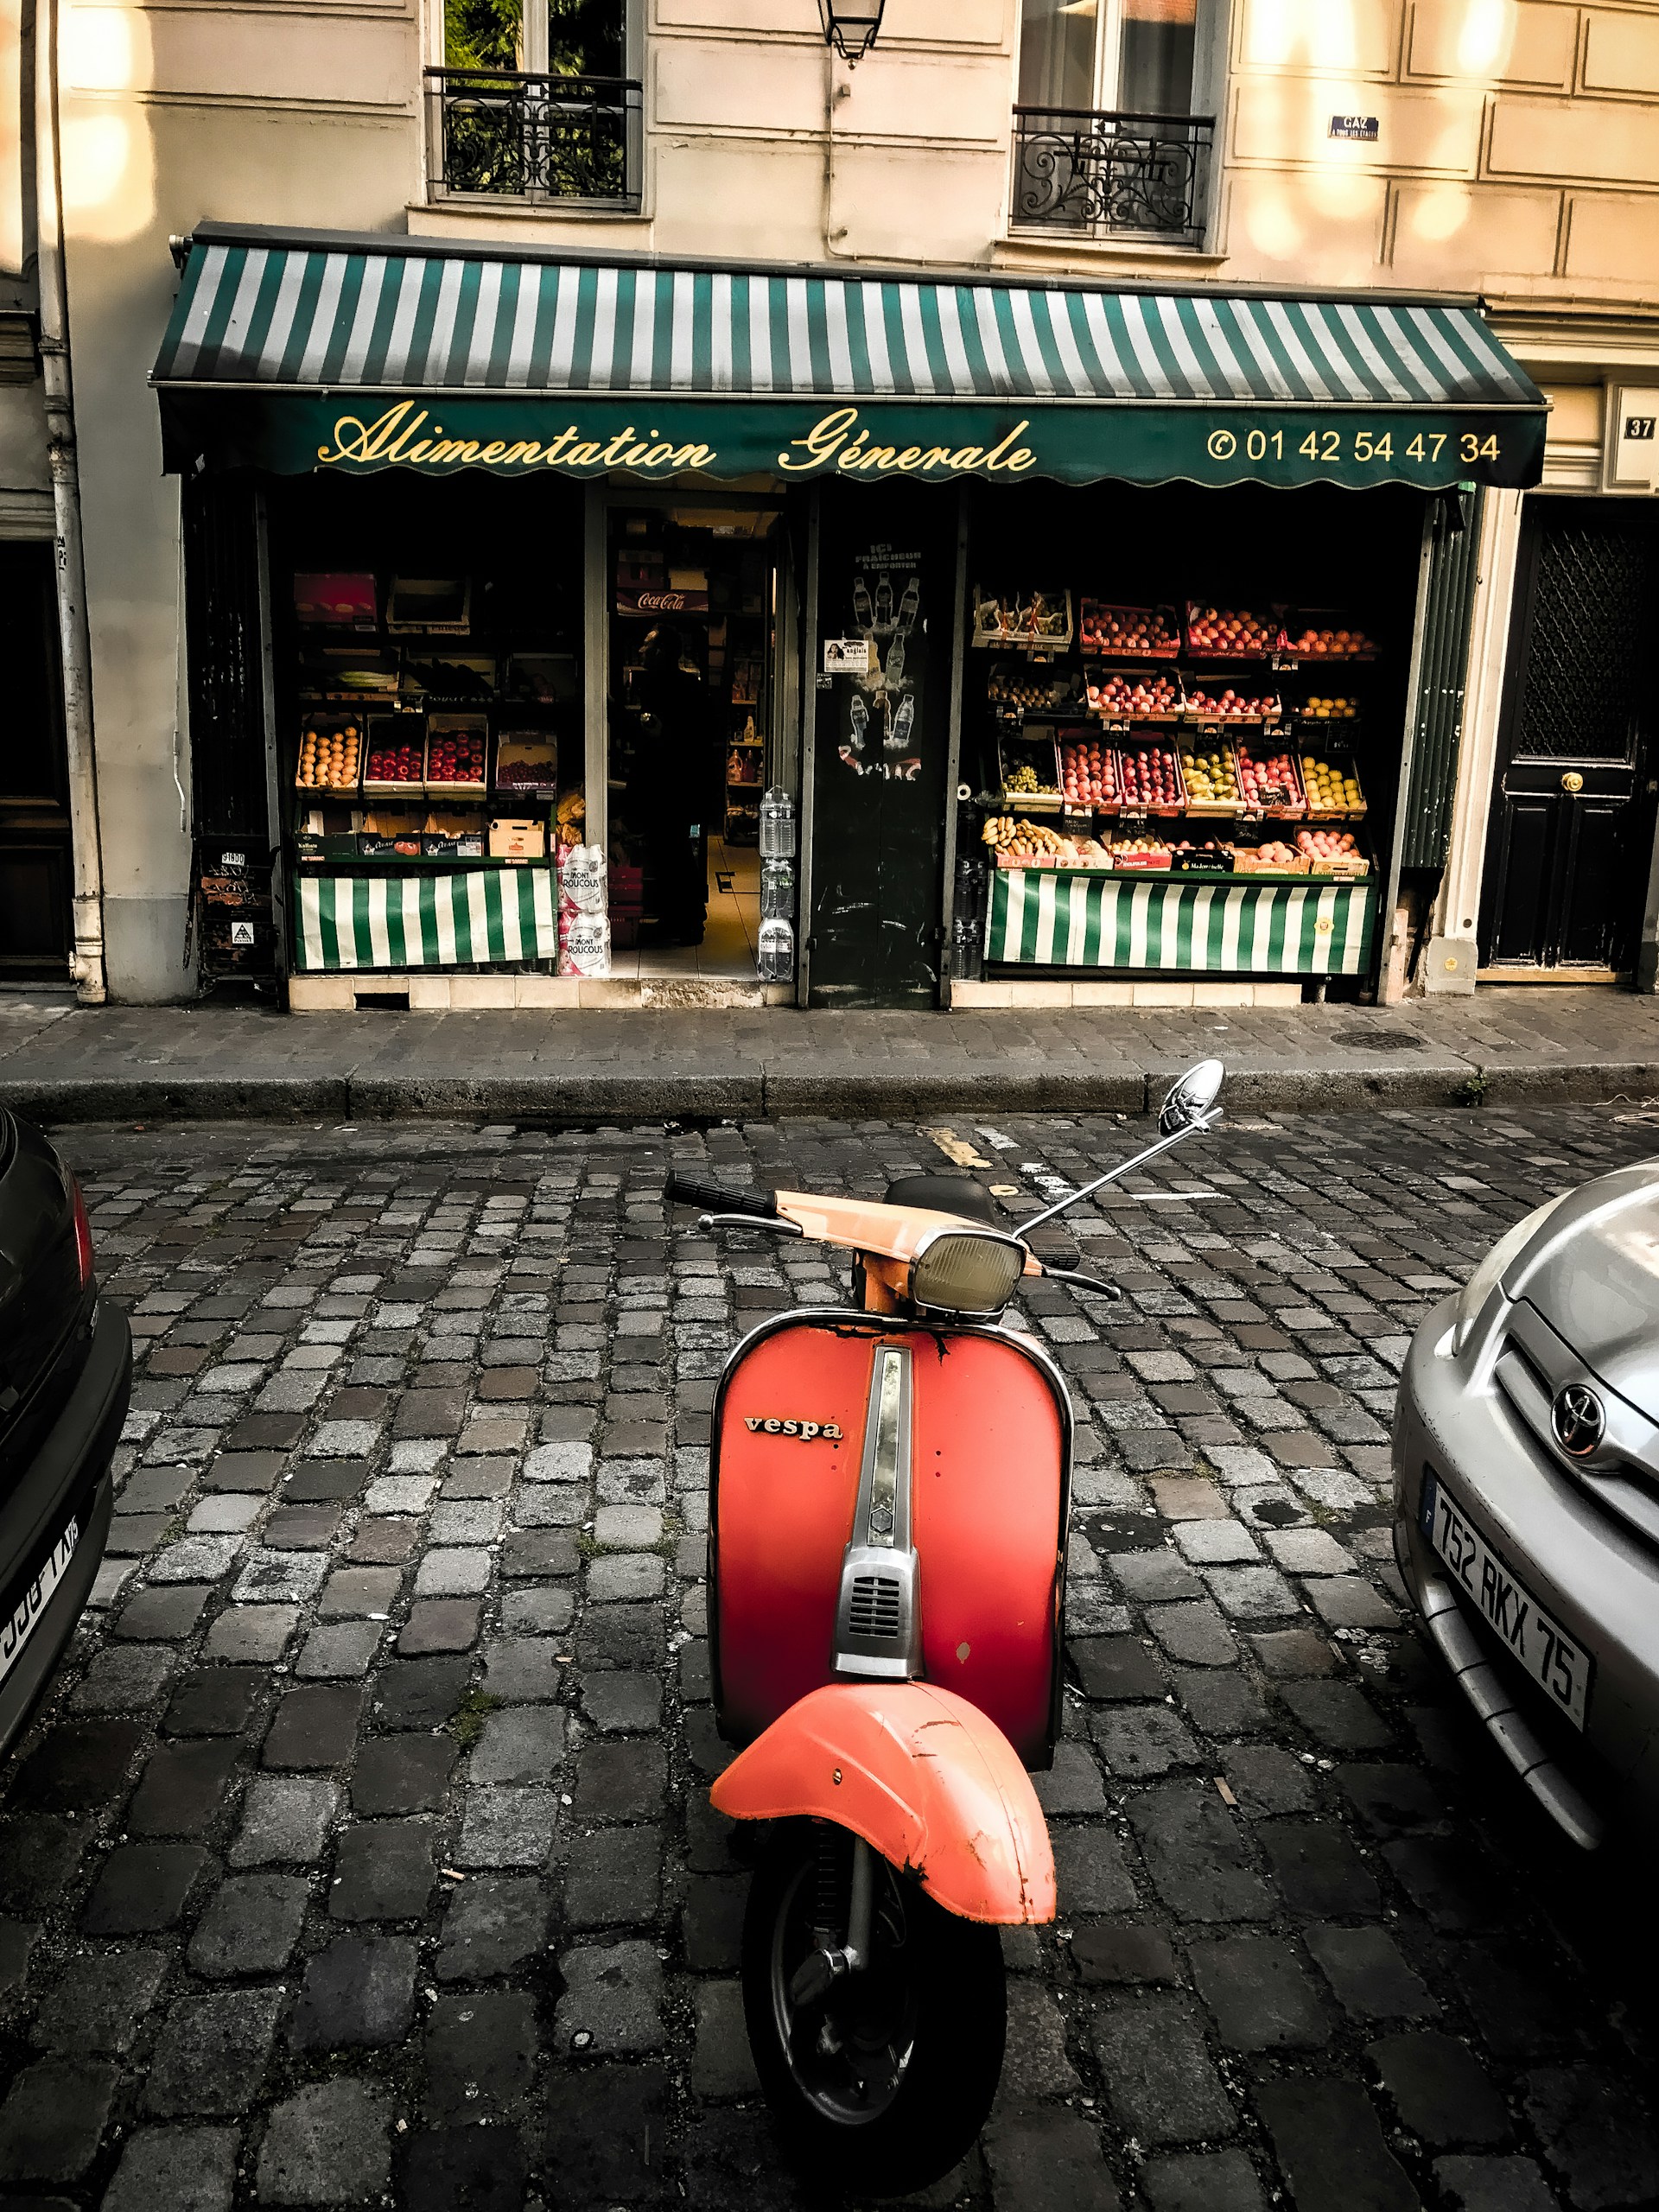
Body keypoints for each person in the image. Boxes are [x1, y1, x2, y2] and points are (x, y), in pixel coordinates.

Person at [630, 624, 711, 945]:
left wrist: (654, 730)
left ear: (661, 652)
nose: (641, 651)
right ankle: (677, 919)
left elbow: (680, 737)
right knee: (669, 853)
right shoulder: (682, 685)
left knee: (673, 853)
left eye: (647, 646)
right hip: (673, 783)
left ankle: (689, 923)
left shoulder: (674, 687)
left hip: (672, 785)